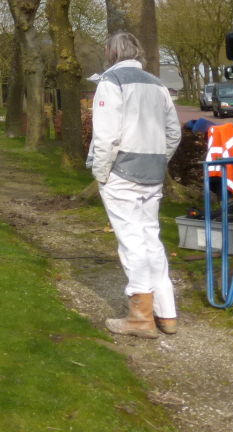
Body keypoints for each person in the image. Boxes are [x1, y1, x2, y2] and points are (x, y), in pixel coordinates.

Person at [88, 32, 181, 338]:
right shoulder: (157, 84)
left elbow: (106, 136)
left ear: (109, 52)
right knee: (150, 238)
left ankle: (140, 317)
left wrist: (101, 173)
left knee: (132, 241)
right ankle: (166, 314)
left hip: (122, 173)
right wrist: (158, 159)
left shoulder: (111, 82)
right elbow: (173, 133)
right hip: (152, 172)